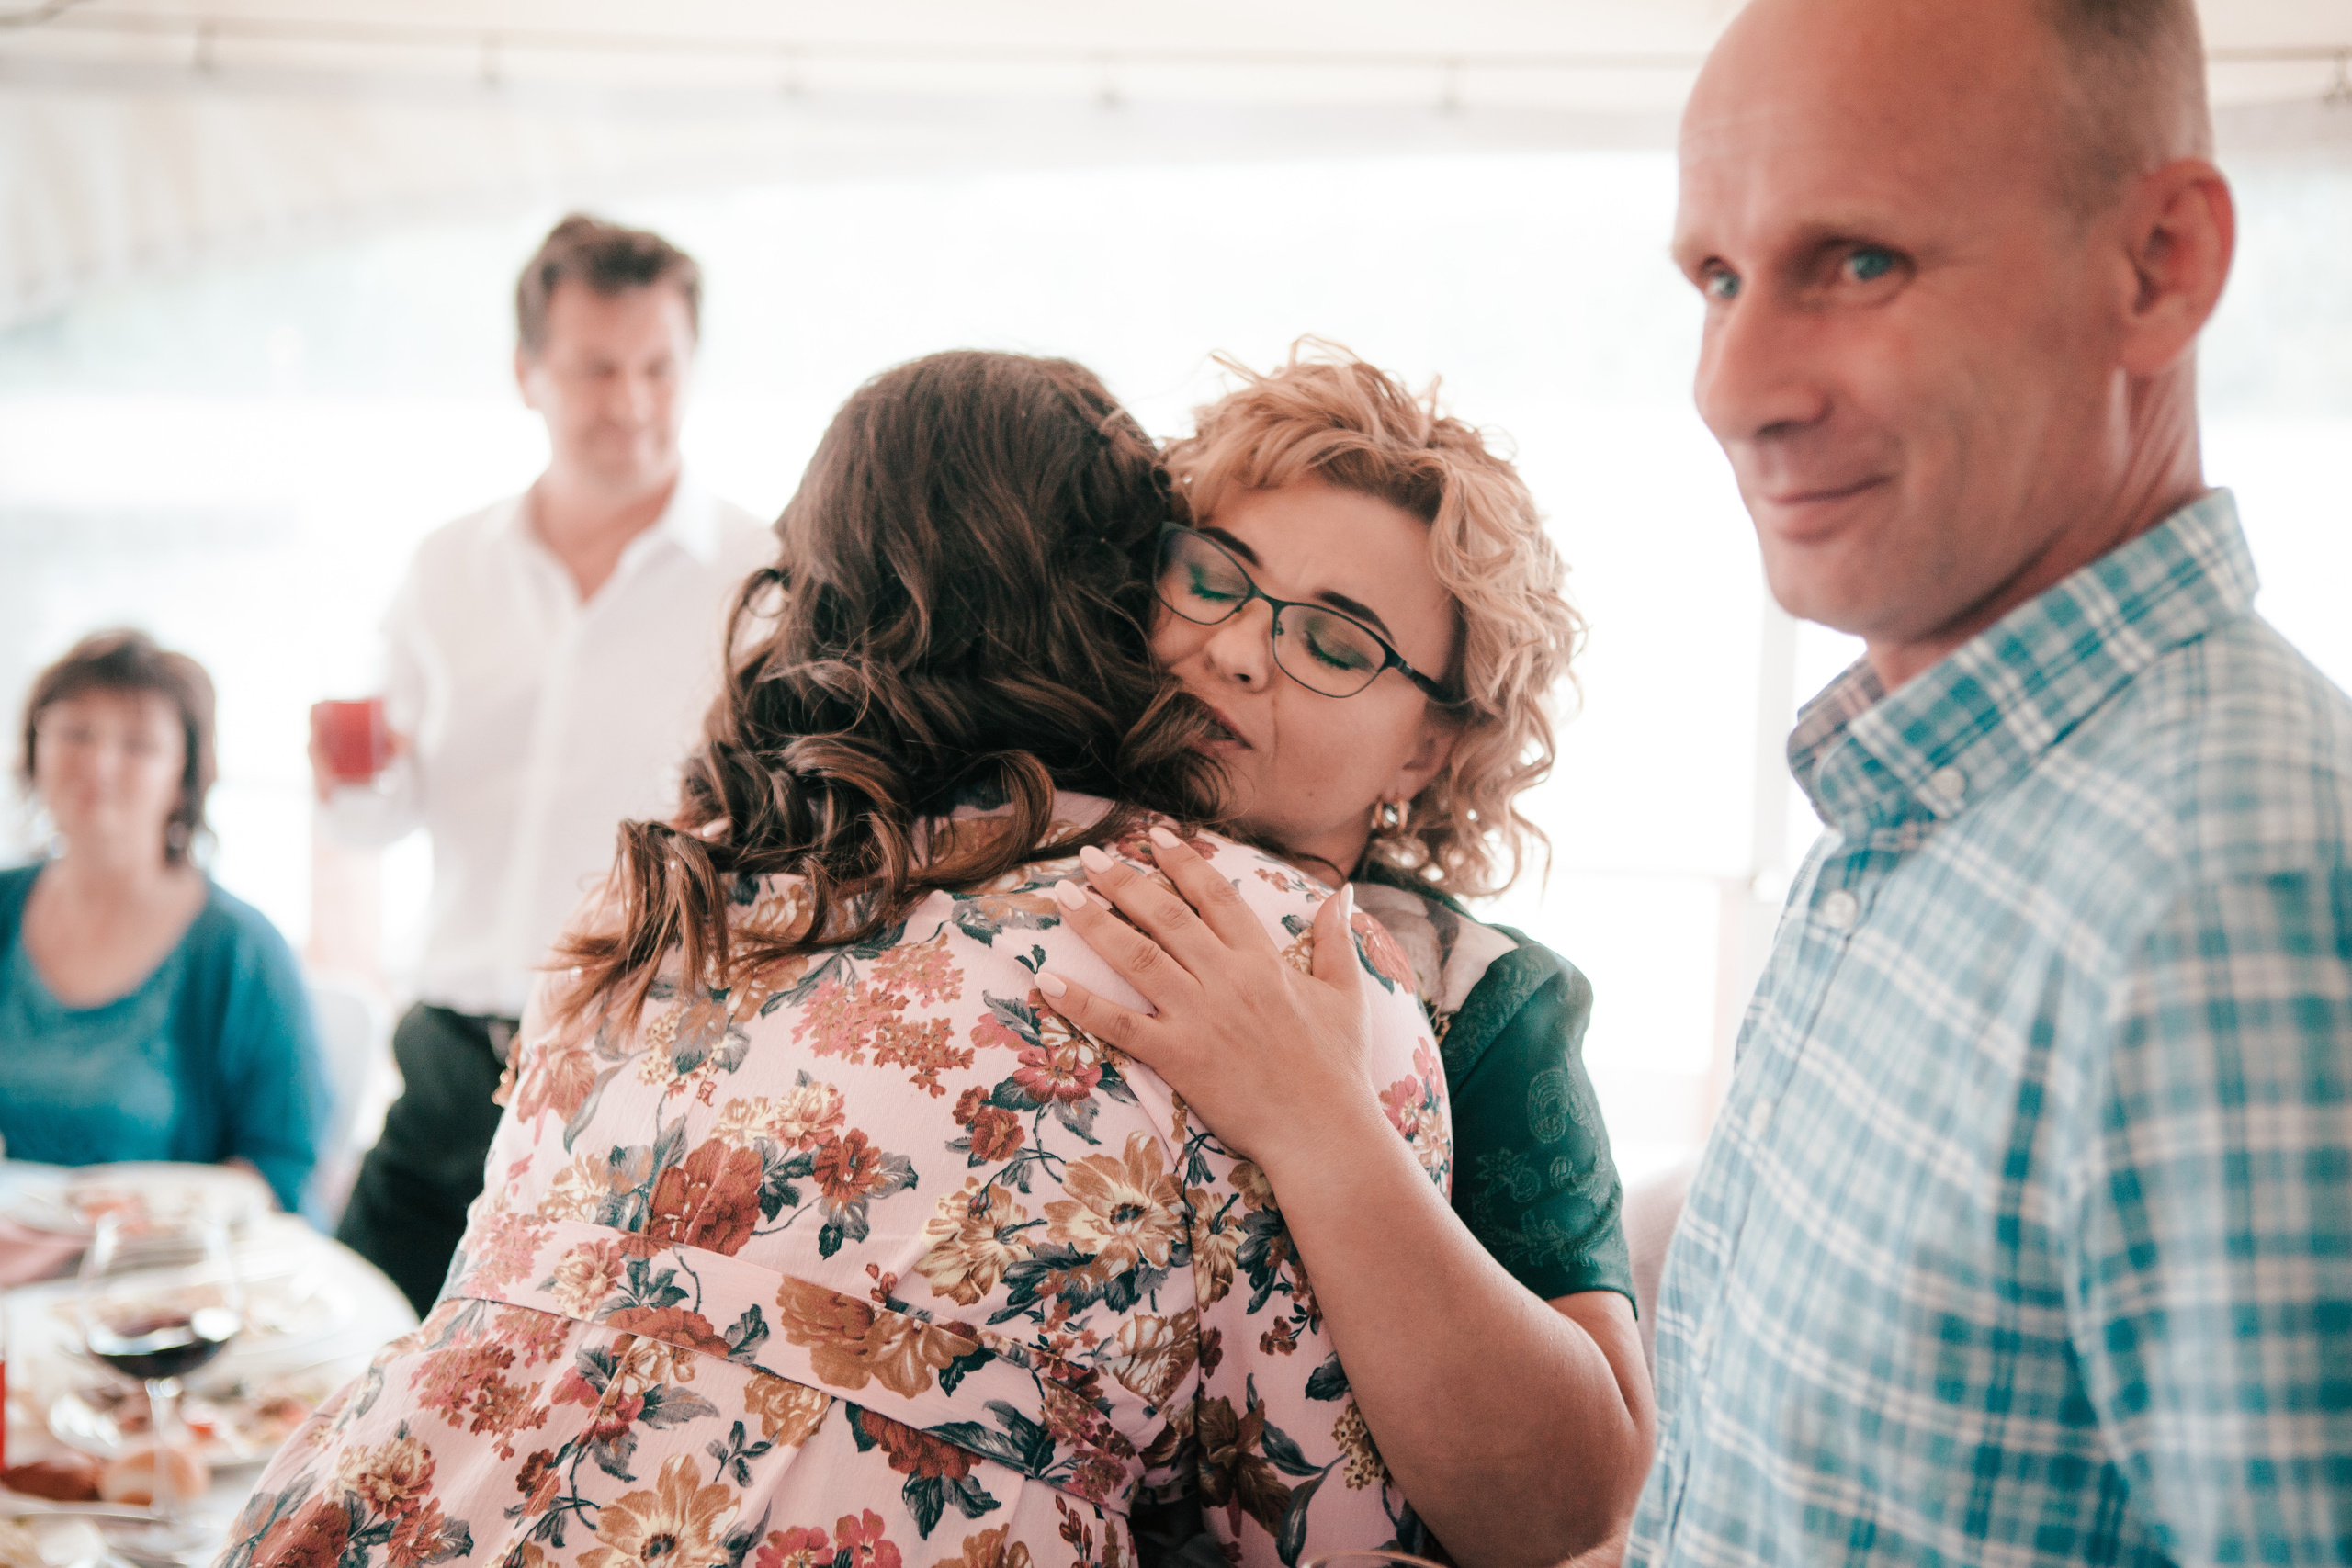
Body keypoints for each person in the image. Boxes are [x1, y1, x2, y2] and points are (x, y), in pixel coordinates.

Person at [223, 351, 1453, 1568]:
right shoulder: (1258, 941)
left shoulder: (653, 901)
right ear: (1121, 604)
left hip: (380, 1502)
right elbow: (1338, 1530)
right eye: (1202, 578)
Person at [1620, 0, 2348, 1562]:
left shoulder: (2237, 893)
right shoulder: (1927, 790)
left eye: (1859, 262)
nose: (1732, 387)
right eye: (1719, 277)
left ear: (2159, 265)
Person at [1032, 345, 1654, 1566]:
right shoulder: (975, 862)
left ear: (1424, 749)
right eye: (1211, 578)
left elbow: (1580, 1501)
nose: (1240, 650)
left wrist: (1316, 1115)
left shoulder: (1482, 998)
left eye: (1335, 642)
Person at [321, 214, 772, 1312]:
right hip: (449, 1058)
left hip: (639, 1067)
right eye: (595, 368)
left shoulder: (761, 581)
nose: (630, 401)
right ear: (529, 373)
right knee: (341, 1353)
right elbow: (378, 820)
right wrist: (355, 779)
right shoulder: (445, 569)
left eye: (658, 367)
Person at [1, 630, 323, 1213]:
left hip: (149, 1278)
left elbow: (282, 1174)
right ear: (32, 747)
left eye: (138, 744)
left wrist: (143, 1215)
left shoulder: (240, 951)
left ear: (185, 775)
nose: (98, 763)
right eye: (75, 733)